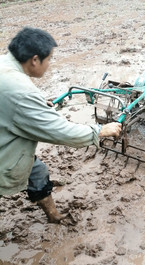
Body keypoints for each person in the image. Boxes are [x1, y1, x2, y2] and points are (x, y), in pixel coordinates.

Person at [0, 27, 122, 223]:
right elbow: (62, 132)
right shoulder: (21, 92)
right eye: (49, 59)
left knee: (37, 171)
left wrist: (37, 106)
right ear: (34, 59)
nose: (49, 65)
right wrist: (100, 130)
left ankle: (53, 215)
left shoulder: (5, 66)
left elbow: (12, 105)